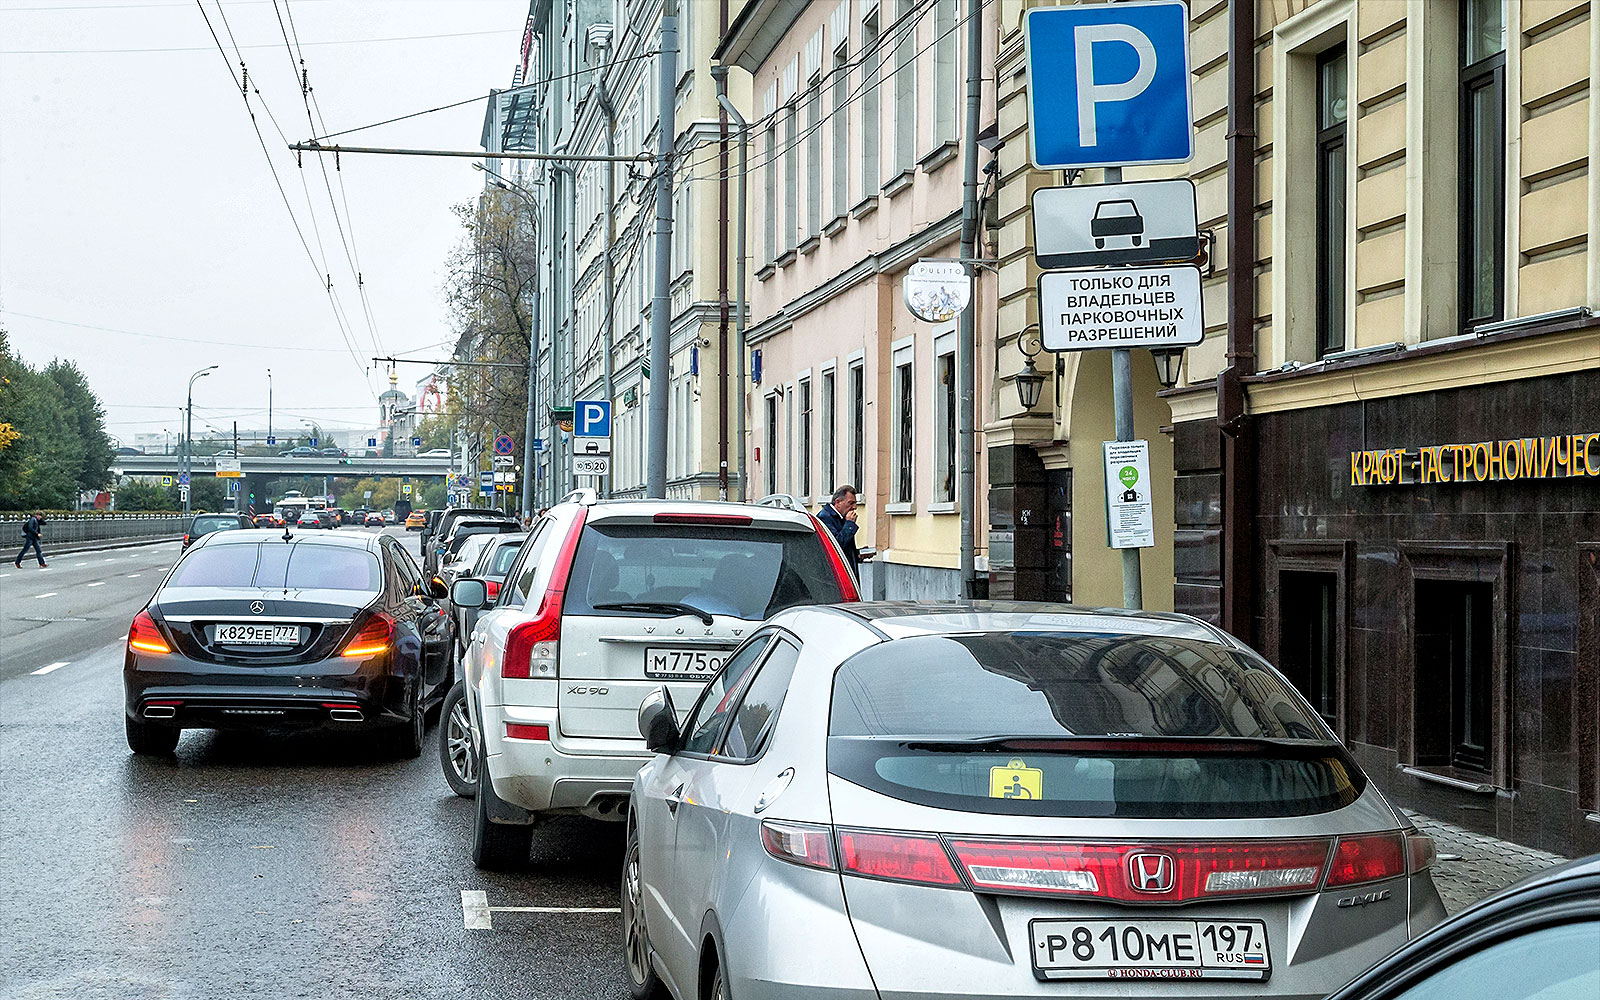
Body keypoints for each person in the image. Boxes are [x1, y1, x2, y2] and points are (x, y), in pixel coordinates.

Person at [816, 485, 860, 573]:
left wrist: (858, 555)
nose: (854, 507)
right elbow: (835, 546)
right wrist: (849, 525)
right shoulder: (825, 517)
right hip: (835, 574)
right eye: (851, 503)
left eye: (855, 503)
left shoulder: (842, 517)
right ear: (838, 502)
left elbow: (845, 548)